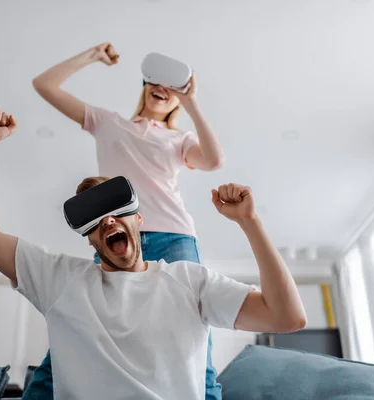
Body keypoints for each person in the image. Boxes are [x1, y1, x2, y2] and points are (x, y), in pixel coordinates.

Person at [0, 109, 307, 400]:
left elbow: (286, 317)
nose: (107, 219)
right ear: (91, 239)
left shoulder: (190, 281)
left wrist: (250, 222)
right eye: (94, 219)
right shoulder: (59, 280)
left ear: (139, 220)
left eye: (115, 209)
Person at [31, 42, 228, 399]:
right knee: (79, 325)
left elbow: (214, 160)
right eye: (157, 84)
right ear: (144, 86)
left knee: (194, 328)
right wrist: (91, 56)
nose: (163, 90)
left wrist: (191, 100)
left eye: (173, 91)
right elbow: (44, 85)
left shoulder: (178, 138)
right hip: (114, 234)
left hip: (173, 236)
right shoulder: (108, 123)